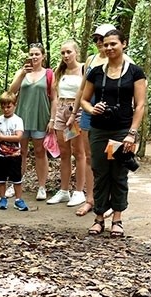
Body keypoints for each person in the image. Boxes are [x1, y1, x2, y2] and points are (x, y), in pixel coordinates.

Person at [80, 29, 146, 237]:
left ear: (123, 44)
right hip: (99, 130)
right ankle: (99, 217)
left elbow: (140, 104)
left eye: (113, 44)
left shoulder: (135, 72)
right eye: (105, 44)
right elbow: (84, 99)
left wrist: (132, 133)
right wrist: (92, 109)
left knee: (118, 173)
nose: (108, 48)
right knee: (100, 173)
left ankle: (117, 219)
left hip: (121, 131)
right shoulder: (96, 72)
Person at [67, 24, 135, 216]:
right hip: (92, 112)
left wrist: (129, 127)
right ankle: (92, 199)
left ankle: (114, 206)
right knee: (92, 158)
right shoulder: (91, 60)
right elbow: (82, 89)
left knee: (114, 161)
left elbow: (134, 98)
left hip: (115, 120)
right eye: (97, 40)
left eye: (104, 39)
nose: (101, 44)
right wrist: (75, 113)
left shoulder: (128, 63)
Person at [8, 43, 56, 201]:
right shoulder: (22, 73)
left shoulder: (49, 74)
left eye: (37, 54)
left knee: (40, 152)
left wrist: (52, 119)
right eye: (31, 54)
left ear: (43, 56)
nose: (34, 57)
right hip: (22, 118)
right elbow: (11, 92)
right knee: (19, 152)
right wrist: (22, 74)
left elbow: (54, 98)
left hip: (41, 117)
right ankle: (15, 184)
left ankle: (41, 186)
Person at [46, 40, 87, 207]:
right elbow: (55, 97)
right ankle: (63, 191)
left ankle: (79, 191)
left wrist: (76, 113)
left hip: (76, 112)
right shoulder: (59, 71)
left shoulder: (84, 69)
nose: (65, 55)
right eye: (63, 53)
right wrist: (53, 118)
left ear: (76, 52)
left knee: (79, 152)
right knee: (64, 152)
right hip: (62, 112)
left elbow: (86, 92)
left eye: (68, 52)